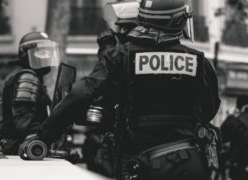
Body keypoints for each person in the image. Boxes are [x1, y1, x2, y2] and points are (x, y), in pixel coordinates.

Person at [23, 0, 221, 179]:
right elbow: (210, 108)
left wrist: (43, 138)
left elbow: (81, 95)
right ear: (176, 22)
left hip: (139, 164)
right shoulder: (199, 61)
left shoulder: (120, 56)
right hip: (188, 164)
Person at [82, 1, 139, 177]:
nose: (120, 33)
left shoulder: (126, 55)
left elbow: (110, 78)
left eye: (126, 29)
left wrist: (106, 48)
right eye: (120, 28)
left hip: (132, 137)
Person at [0, 31, 60, 155]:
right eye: (41, 52)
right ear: (26, 55)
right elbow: (24, 121)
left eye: (48, 51)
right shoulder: (28, 78)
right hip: (20, 149)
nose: (47, 55)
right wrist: (41, 136)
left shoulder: (33, 78)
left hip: (23, 149)